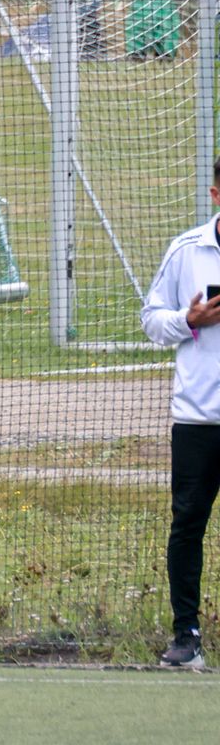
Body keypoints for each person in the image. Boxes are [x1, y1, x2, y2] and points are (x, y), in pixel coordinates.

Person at [141, 161, 220, 669]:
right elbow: (151, 320)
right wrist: (188, 319)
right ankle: (186, 636)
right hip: (198, 420)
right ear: (216, 195)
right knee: (188, 524)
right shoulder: (187, 251)